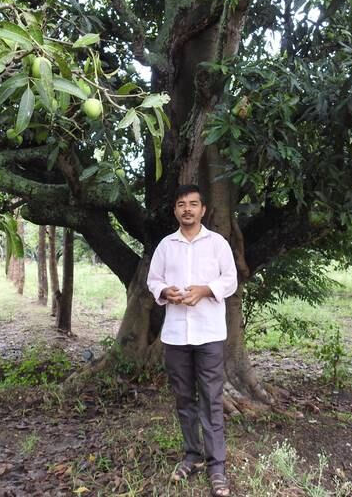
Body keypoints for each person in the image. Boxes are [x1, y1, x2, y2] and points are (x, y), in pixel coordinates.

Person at [147, 184, 238, 497]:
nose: (187, 209)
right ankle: (192, 455)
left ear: (203, 210)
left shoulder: (217, 244)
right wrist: (164, 292)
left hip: (209, 334)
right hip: (175, 335)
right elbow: (153, 280)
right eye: (182, 204)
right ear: (176, 210)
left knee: (211, 399)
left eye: (193, 204)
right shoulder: (165, 246)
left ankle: (217, 467)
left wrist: (205, 290)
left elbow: (230, 279)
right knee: (184, 398)